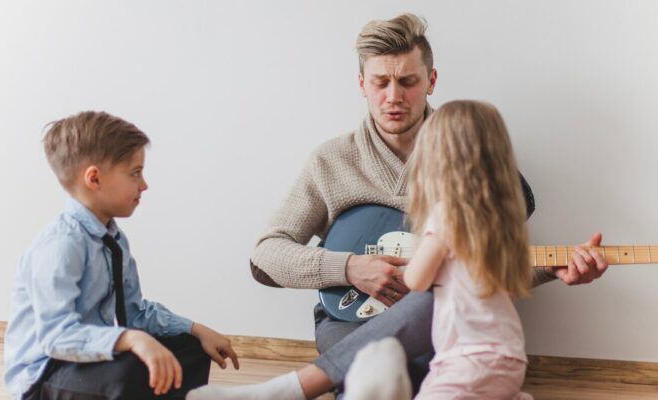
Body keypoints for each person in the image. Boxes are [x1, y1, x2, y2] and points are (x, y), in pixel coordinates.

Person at [188, 13, 608, 400]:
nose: (394, 96)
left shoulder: (475, 156)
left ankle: (291, 390)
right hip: (348, 320)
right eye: (380, 82)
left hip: (444, 325)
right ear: (361, 84)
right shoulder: (330, 161)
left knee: (433, 306)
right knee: (373, 375)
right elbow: (266, 256)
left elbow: (482, 269)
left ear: (431, 80)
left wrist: (552, 268)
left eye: (407, 81)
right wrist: (350, 267)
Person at [4, 111, 239, 399]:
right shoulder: (60, 245)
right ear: (94, 178)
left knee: (189, 346)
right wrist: (130, 339)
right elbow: (57, 337)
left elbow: (135, 313)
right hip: (45, 375)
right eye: (135, 173)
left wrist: (195, 329)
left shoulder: (114, 240)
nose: (144, 184)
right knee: (128, 372)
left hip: (84, 359)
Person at [345, 100, 535, 399]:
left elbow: (416, 280)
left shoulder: (447, 213)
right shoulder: (501, 220)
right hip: (510, 356)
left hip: (466, 360)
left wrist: (418, 254)